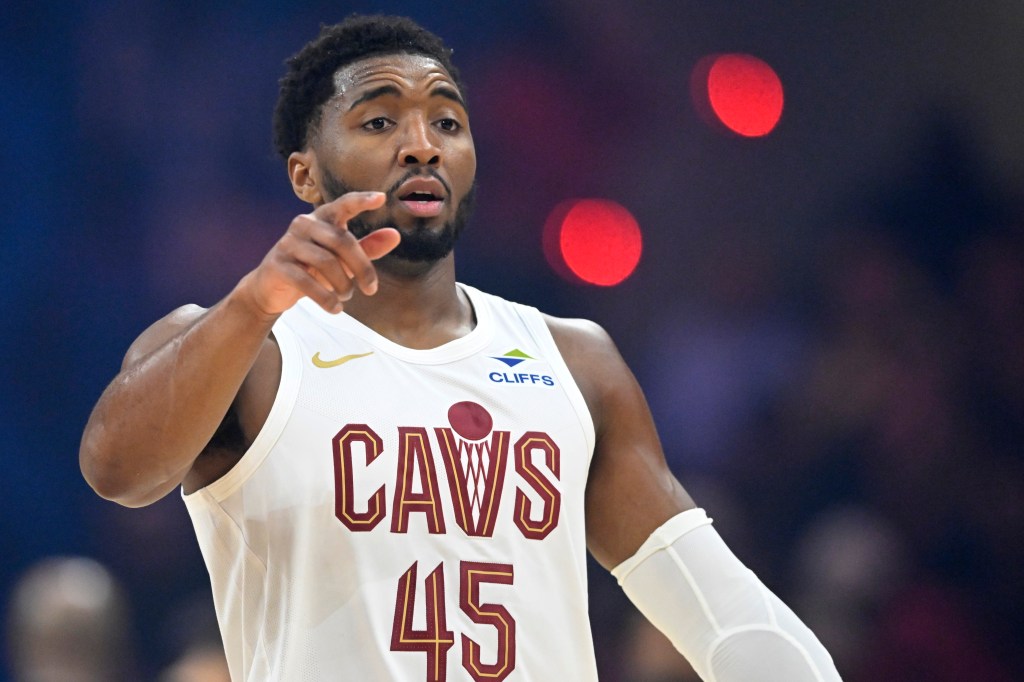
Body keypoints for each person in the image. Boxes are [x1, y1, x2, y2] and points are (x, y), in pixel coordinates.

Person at [80, 14, 841, 681]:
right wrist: (253, 302)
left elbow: (724, 615)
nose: (422, 146)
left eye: (447, 122)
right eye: (380, 122)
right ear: (306, 175)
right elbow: (117, 470)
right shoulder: (246, 345)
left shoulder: (574, 362)